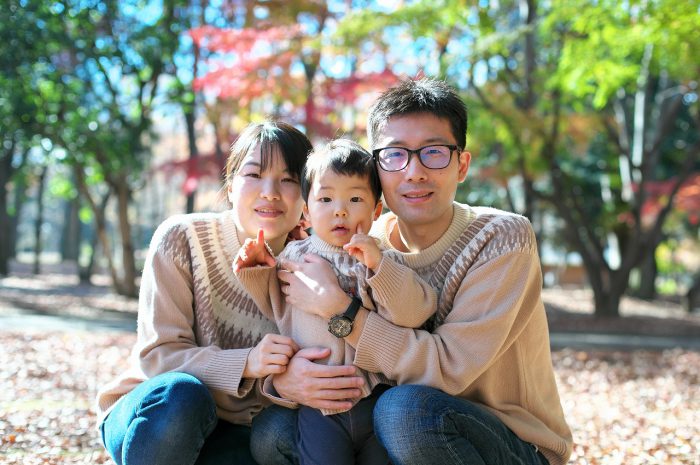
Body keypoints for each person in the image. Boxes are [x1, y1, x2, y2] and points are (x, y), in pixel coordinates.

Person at [250, 78, 573, 465]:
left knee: (404, 412)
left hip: (510, 441)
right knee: (276, 431)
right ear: (376, 169)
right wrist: (291, 380)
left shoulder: (502, 237)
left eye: (434, 153)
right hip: (388, 426)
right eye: (395, 155)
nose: (414, 172)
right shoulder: (363, 241)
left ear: (462, 164)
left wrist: (341, 310)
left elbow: (447, 370)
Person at [95, 121, 313, 465]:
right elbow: (159, 358)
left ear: (308, 195)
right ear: (230, 186)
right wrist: (248, 363)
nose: (270, 191)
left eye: (289, 179)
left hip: (242, 430)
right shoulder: (182, 239)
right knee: (183, 397)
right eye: (254, 174)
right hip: (158, 413)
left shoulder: (315, 267)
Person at [234, 139, 437, 465]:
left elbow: (416, 312)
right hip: (320, 403)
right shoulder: (293, 256)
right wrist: (256, 268)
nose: (340, 210)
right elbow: (275, 306)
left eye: (355, 198)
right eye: (325, 198)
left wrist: (379, 266)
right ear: (307, 210)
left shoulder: (380, 258)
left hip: (374, 395)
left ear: (375, 211)